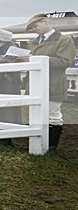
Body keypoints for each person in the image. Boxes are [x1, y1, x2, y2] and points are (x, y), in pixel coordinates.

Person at [25, 14, 76, 151]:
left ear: (46, 22)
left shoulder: (64, 40)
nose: (34, 29)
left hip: (53, 82)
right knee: (36, 113)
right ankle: (39, 141)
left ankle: (51, 145)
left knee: (52, 114)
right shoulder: (35, 42)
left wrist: (36, 59)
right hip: (36, 82)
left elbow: (65, 62)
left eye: (36, 26)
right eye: (32, 28)